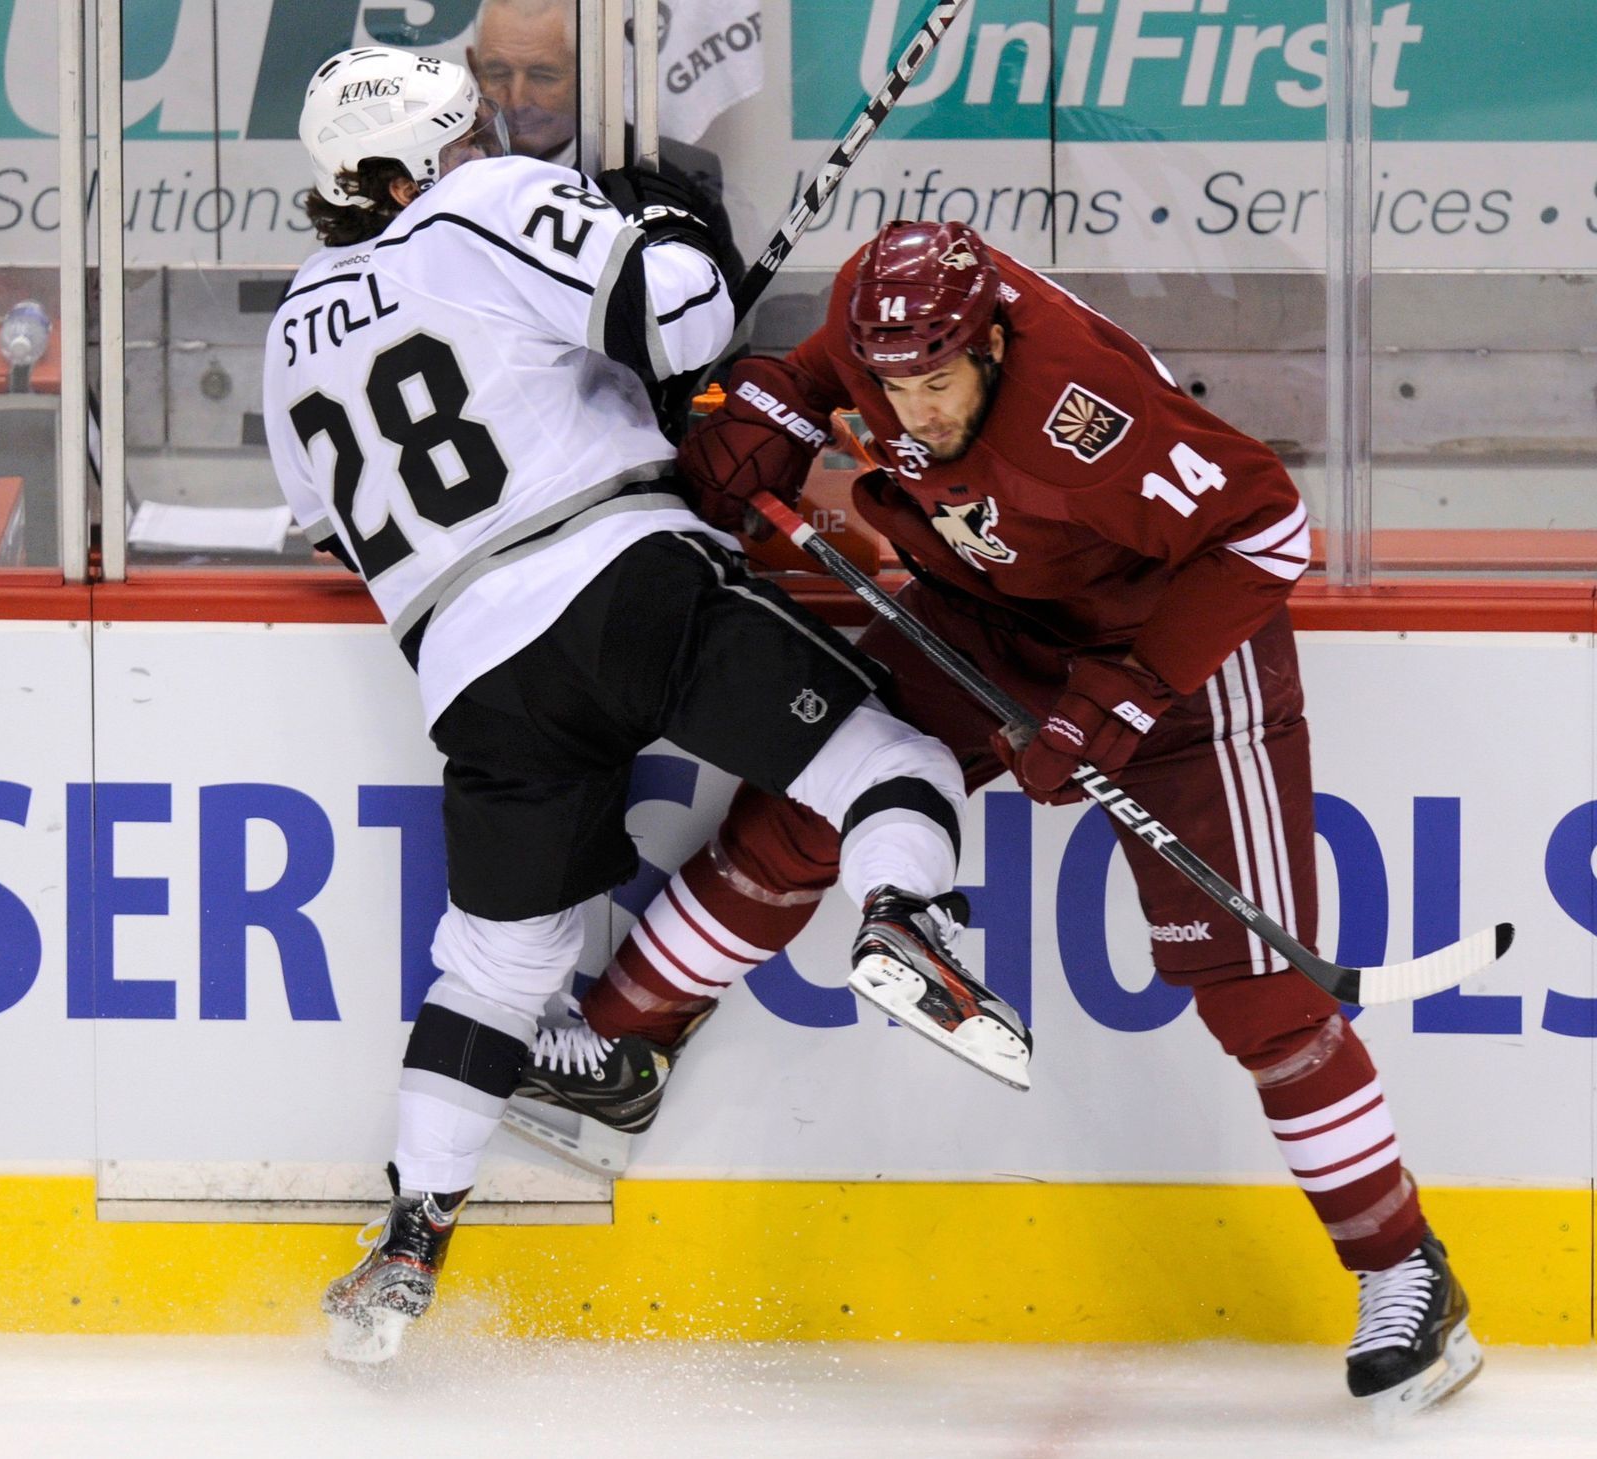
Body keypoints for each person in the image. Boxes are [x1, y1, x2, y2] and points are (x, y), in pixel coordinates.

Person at [518, 219, 1483, 1416]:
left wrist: (1120, 696)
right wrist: (772, 415)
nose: (910, 410)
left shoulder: (1086, 415)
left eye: (934, 385)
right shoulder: (890, 319)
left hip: (1173, 657)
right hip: (991, 612)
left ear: (988, 343)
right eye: (890, 386)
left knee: (1261, 996)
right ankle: (623, 1043)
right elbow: (823, 373)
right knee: (815, 789)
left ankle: (1404, 1271)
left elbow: (1266, 528)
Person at [263, 52, 1029, 1363]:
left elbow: (334, 530)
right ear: (399, 167)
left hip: (473, 671)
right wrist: (663, 222)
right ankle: (909, 919)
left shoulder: (287, 338)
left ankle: (406, 1248)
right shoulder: (481, 201)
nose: (474, 144)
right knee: (885, 760)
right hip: (618, 579)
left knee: (497, 964)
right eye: (447, 136)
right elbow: (683, 318)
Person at [465, 0, 743, 287]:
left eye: (542, 76)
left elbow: (719, 315)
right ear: (474, 67)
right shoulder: (437, 171)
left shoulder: (673, 181)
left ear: (590, 74)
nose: (518, 100)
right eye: (498, 73)